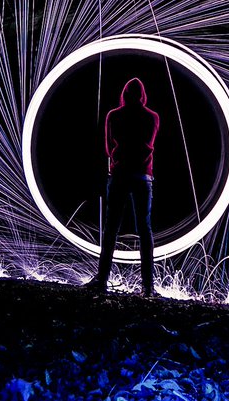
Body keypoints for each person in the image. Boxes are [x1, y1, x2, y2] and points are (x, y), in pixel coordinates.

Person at [86, 77, 160, 296]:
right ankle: (148, 287)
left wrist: (120, 156)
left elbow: (109, 149)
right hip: (143, 176)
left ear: (124, 94)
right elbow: (150, 145)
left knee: (111, 228)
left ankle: (102, 280)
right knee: (144, 229)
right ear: (143, 95)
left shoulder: (114, 115)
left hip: (119, 174)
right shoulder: (153, 117)